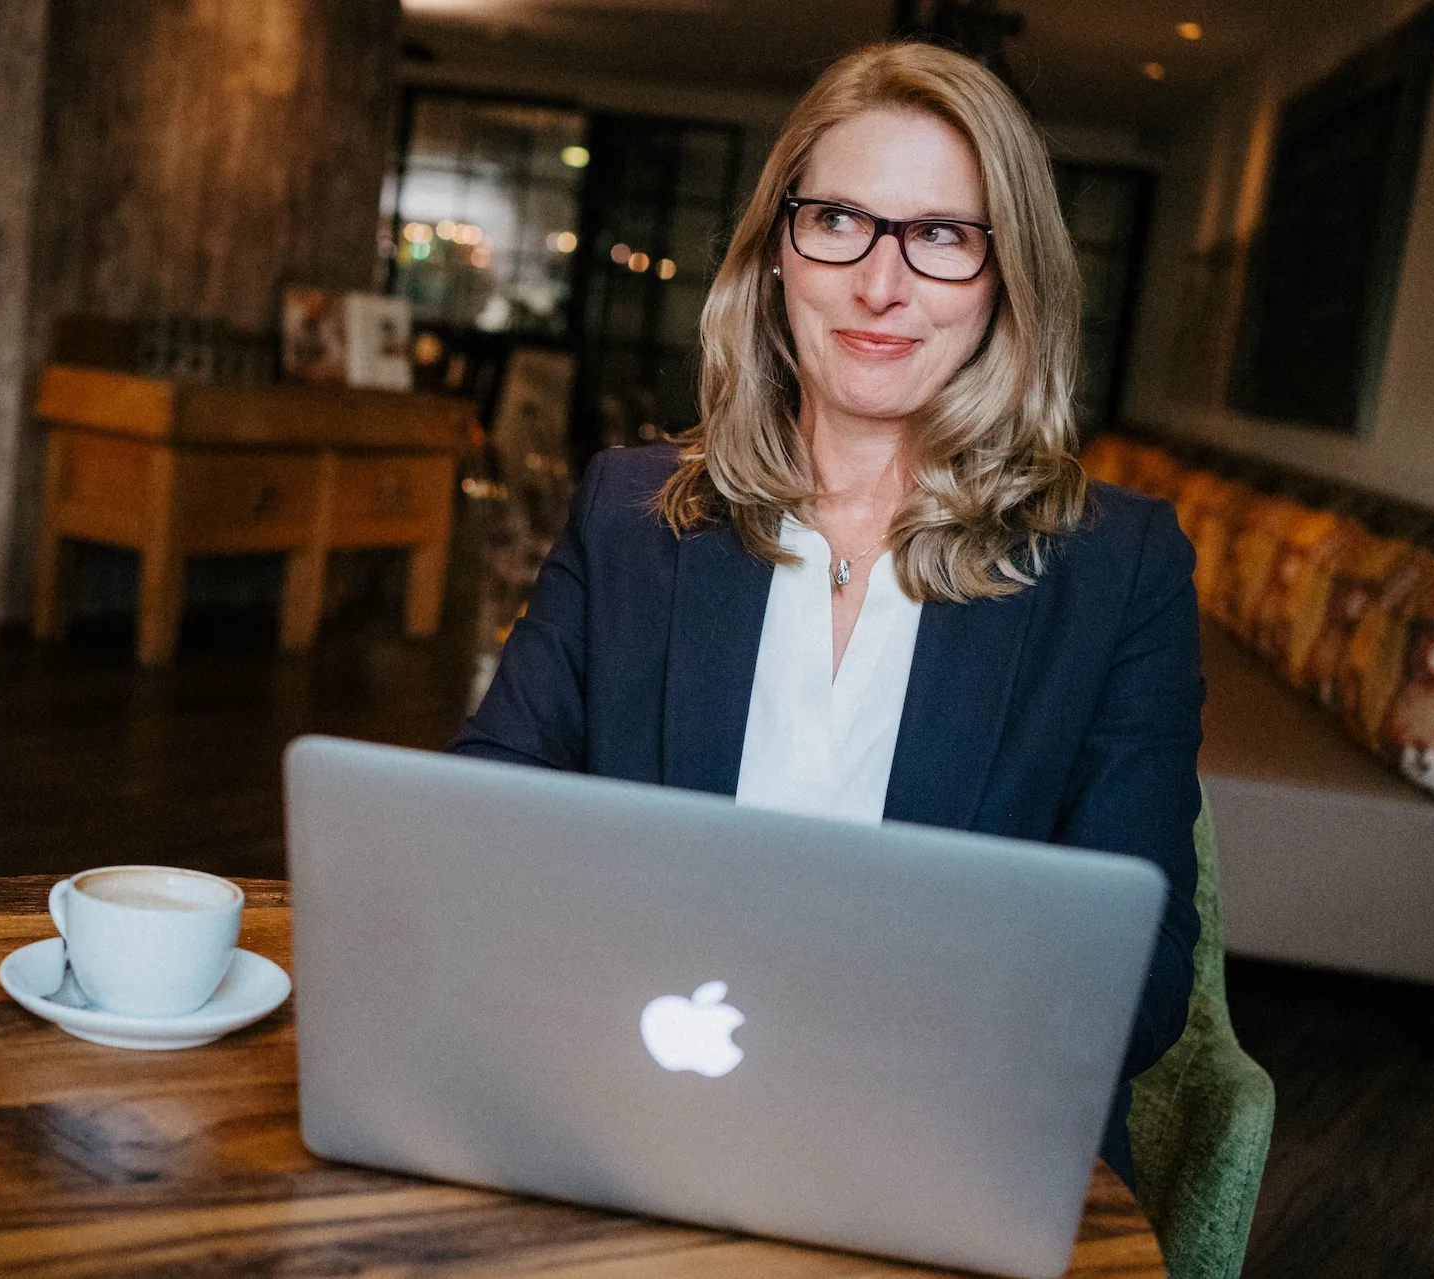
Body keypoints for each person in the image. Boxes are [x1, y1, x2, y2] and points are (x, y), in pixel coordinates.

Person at [452, 40, 1202, 1186]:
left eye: (943, 236)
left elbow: (1137, 982)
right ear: (774, 256)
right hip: (622, 1113)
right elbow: (478, 836)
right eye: (839, 220)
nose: (881, 284)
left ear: (1011, 282)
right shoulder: (628, 515)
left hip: (938, 1154)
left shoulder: (1118, 571)